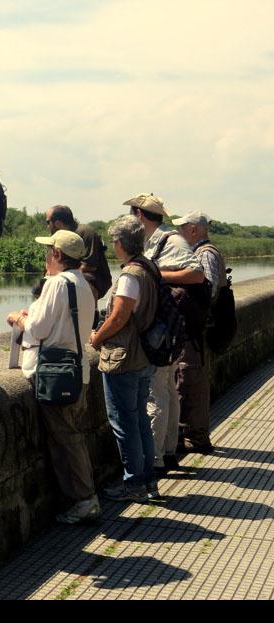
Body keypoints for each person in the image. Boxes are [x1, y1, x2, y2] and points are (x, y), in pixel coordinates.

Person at [7, 230, 99, 524]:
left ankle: (84, 500)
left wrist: (20, 318)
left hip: (55, 373)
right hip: (77, 370)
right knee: (71, 436)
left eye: (49, 252)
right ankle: (82, 498)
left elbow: (38, 329)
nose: (46, 257)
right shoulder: (84, 283)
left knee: (67, 440)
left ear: (58, 255)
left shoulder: (57, 283)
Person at [123, 193, 205, 475]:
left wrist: (156, 275)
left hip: (166, 330)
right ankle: (168, 452)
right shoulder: (153, 240)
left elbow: (197, 274)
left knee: (156, 392)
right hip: (166, 328)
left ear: (139, 215)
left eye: (132, 214)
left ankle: (156, 459)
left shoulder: (171, 240)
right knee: (167, 390)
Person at [90, 216, 159, 503]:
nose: (112, 246)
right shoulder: (149, 267)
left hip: (124, 357)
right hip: (143, 356)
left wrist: (97, 338)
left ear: (120, 243)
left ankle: (134, 485)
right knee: (140, 420)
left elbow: (119, 316)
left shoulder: (130, 275)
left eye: (112, 242)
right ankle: (148, 480)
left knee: (125, 424)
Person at [172, 210, 227, 453]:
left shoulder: (204, 254)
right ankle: (195, 435)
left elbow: (208, 291)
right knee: (193, 380)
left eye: (182, 228)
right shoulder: (204, 252)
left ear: (193, 229)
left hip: (199, 330)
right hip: (200, 329)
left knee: (192, 381)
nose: (179, 233)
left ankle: (196, 438)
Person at [45, 205, 112, 306]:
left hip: (94, 278)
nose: (47, 226)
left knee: (82, 280)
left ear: (57, 223)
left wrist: (62, 277)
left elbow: (90, 266)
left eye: (48, 222)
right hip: (69, 274)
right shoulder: (56, 237)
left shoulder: (86, 232)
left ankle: (92, 313)